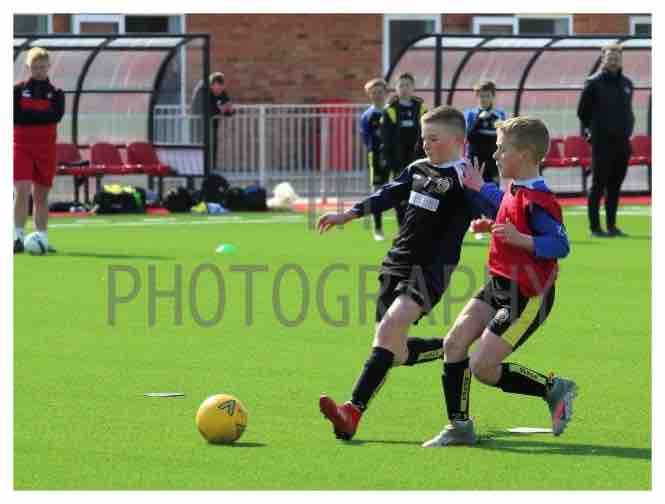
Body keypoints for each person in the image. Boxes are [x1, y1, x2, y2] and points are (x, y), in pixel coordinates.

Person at [317, 106, 473, 441]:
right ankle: (453, 347)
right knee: (393, 349)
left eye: (434, 138)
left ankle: (351, 411)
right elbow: (387, 194)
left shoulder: (466, 178)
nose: (426, 143)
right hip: (396, 263)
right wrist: (348, 215)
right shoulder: (417, 168)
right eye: (424, 137)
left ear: (458, 140)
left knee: (389, 329)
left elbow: (495, 206)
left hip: (430, 270)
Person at [422, 117, 576, 447]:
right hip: (499, 284)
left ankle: (553, 388)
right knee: (454, 344)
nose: (495, 155)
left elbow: (560, 244)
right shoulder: (516, 190)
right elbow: (504, 205)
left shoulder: (541, 200)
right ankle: (459, 426)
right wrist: (484, 205)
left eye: (502, 149)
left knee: (483, 367)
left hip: (529, 296)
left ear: (525, 154)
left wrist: (523, 240)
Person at [577, 43, 634, 238]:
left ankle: (612, 226)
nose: (613, 61)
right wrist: (594, 131)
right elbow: (582, 112)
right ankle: (595, 228)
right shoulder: (593, 83)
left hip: (622, 143)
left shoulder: (627, 84)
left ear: (621, 60)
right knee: (598, 185)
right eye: (610, 57)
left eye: (617, 57)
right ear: (603, 59)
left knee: (615, 185)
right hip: (602, 143)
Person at [14, 47, 65, 254]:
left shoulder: (57, 93)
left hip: (46, 149)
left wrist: (30, 115)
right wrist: (41, 116)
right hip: (21, 147)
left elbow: (55, 116)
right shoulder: (17, 91)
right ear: (28, 67)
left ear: (49, 67)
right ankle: (16, 237)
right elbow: (16, 116)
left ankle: (42, 238)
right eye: (35, 67)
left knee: (41, 196)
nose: (39, 71)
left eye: (43, 67)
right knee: (22, 190)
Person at [381, 72, 428, 228]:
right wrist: (388, 159)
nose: (404, 88)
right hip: (398, 161)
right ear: (396, 88)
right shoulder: (390, 109)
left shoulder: (421, 108)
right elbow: (386, 138)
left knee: (419, 194)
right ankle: (402, 227)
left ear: (413, 87)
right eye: (401, 85)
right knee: (400, 194)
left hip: (419, 160)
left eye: (407, 85)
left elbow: (427, 133)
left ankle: (416, 227)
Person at [360, 78, 388, 241]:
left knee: (401, 190)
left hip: (395, 158)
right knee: (377, 191)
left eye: (380, 92)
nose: (377, 95)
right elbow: (366, 138)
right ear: (369, 95)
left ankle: (404, 230)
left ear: (386, 93)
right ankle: (378, 229)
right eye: (374, 93)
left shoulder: (392, 112)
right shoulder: (367, 115)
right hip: (377, 158)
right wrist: (377, 152)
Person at [464, 80, 507, 184]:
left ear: (493, 96)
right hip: (475, 160)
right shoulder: (470, 114)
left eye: (487, 96)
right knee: (474, 188)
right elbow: (468, 138)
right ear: (477, 96)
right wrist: (479, 120)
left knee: (493, 189)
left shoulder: (499, 114)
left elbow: (503, 138)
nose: (484, 99)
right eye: (481, 96)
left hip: (493, 162)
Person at [192, 72, 234, 169]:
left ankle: (212, 168)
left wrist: (229, 110)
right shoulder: (203, 91)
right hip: (199, 125)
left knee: (213, 146)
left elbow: (228, 108)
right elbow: (203, 110)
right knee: (202, 147)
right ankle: (201, 168)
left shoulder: (221, 90)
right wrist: (220, 110)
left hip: (212, 125)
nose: (219, 92)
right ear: (212, 85)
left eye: (221, 89)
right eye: (217, 89)